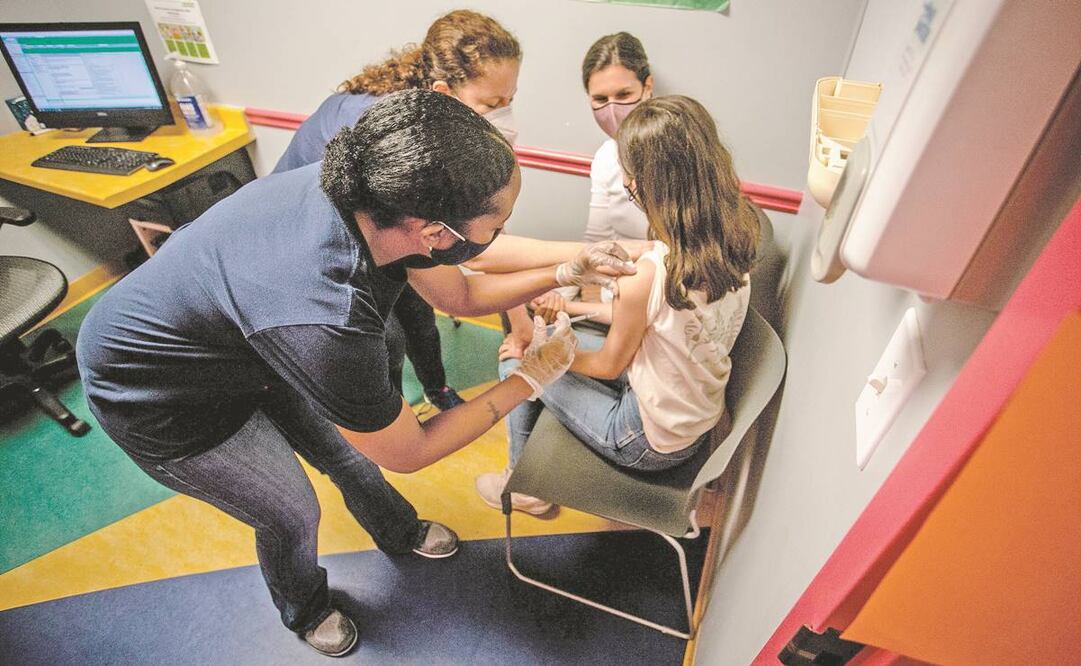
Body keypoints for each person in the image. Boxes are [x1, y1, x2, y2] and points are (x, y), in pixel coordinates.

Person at [76, 90, 634, 657]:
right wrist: (529, 379)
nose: (500, 234)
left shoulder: (376, 195)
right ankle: (305, 606)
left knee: (341, 452)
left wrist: (563, 270)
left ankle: (398, 530)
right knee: (291, 510)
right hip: (157, 393)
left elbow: (462, 293)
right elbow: (408, 451)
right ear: (436, 232)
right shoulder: (328, 316)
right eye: (499, 224)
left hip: (247, 343)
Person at [476, 96, 761, 515]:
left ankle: (526, 489)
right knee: (565, 342)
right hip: (693, 420)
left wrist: (538, 356)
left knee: (513, 366)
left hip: (644, 442)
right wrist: (570, 312)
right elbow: (655, 323)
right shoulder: (736, 238)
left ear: (639, 184)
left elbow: (609, 365)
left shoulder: (649, 273)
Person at [274, 9, 523, 412]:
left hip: (378, 224)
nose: (503, 114)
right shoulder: (390, 134)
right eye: (492, 103)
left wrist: (524, 317)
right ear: (444, 92)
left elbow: (487, 225)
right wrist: (567, 264)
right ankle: (384, 414)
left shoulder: (433, 120)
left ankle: (436, 388)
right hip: (312, 238)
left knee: (420, 318)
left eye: (510, 100)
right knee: (382, 337)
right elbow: (467, 277)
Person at [506, 31, 654, 348]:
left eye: (624, 94)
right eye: (600, 99)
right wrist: (558, 289)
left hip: (641, 314)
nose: (612, 109)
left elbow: (654, 301)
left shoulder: (672, 160)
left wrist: (567, 305)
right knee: (520, 345)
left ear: (648, 87)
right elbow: (594, 244)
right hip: (606, 301)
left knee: (524, 357)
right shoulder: (605, 158)